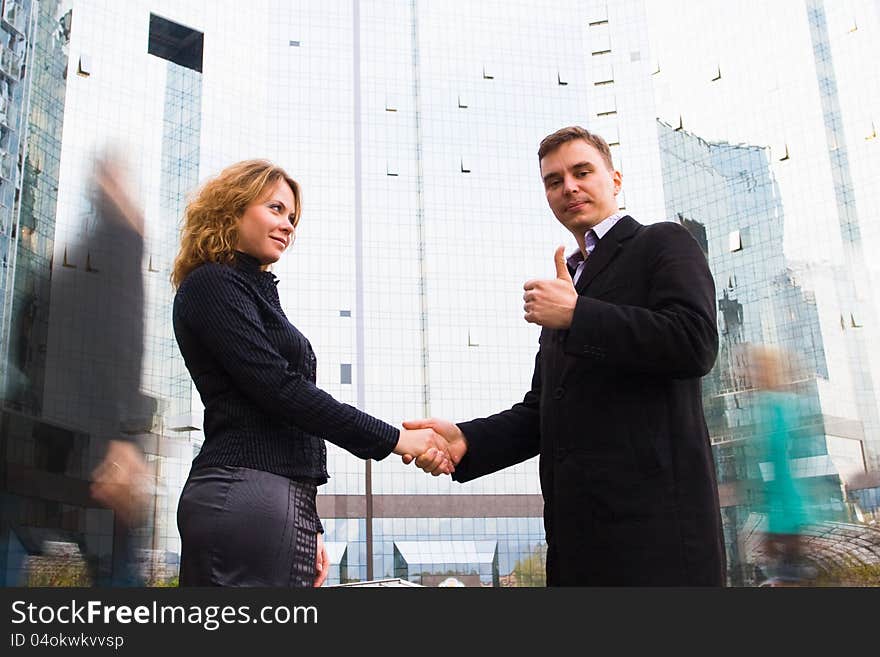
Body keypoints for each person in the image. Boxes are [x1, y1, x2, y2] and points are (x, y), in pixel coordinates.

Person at [405, 126, 725, 585]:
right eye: (554, 181)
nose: (568, 187)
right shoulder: (569, 287)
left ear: (614, 180)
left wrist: (578, 314)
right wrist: (466, 441)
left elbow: (694, 342)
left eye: (582, 172)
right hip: (578, 542)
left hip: (656, 538)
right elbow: (544, 410)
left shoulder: (663, 243)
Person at [171, 160, 452, 587]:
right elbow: (280, 390)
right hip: (243, 490)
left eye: (292, 217)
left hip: (275, 497)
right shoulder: (213, 284)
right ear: (232, 209)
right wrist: (394, 439)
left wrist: (309, 521)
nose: (287, 225)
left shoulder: (252, 291)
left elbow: (284, 417)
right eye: (276, 209)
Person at [742, 344, 817, 587]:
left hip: (789, 514)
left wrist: (775, 524)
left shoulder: (774, 407)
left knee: (789, 580)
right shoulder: (781, 405)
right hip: (791, 513)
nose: (746, 373)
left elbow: (780, 468)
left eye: (753, 367)